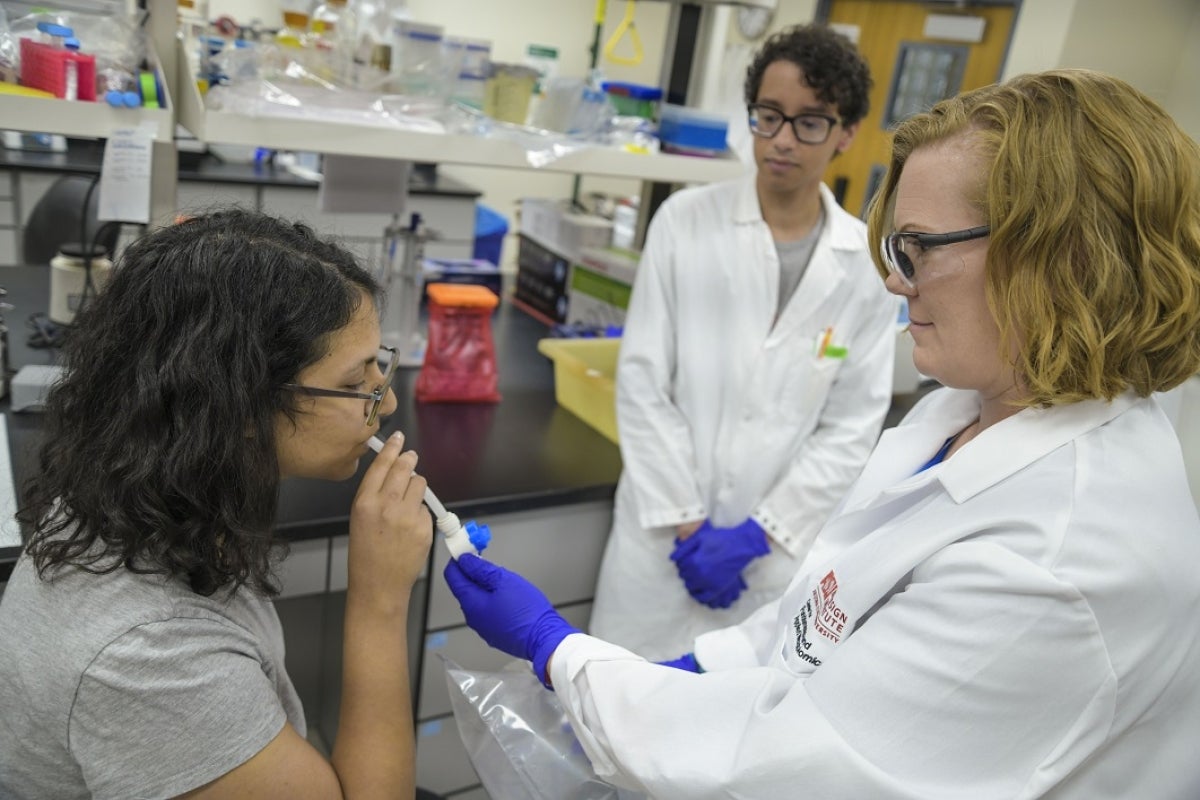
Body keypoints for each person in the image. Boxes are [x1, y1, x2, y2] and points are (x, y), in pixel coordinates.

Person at [444, 69, 1200, 798]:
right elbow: (828, 611)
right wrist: (699, 667)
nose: (896, 282)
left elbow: (780, 765)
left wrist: (559, 652)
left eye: (921, 247)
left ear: (1061, 257)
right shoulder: (958, 418)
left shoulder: (1059, 563)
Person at [0, 210, 434, 799]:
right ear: (241, 407)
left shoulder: (136, 484)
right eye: (357, 384)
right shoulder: (149, 658)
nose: (383, 407)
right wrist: (381, 600)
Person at [589, 23, 898, 659]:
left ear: (845, 133)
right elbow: (644, 382)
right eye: (769, 116)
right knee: (614, 724)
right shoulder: (684, 223)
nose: (783, 140)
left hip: (770, 558)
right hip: (661, 541)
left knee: (729, 739)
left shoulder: (864, 266)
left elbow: (850, 427)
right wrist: (689, 524)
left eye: (811, 122)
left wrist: (757, 535)